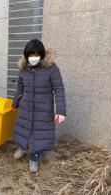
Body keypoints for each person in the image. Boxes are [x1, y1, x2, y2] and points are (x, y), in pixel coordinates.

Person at [12, 39, 66, 173]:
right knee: (24, 129)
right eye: (30, 55)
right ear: (26, 55)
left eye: (36, 55)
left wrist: (61, 111)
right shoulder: (24, 68)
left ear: (41, 55)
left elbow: (59, 89)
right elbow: (20, 87)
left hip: (43, 109)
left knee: (39, 134)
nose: (33, 58)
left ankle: (35, 157)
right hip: (26, 107)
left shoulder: (51, 68)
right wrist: (15, 103)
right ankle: (23, 148)